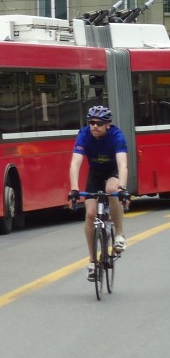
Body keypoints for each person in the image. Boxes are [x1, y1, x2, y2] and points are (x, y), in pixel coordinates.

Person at [69, 104, 129, 282]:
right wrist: (74, 189)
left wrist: (122, 188)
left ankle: (118, 233)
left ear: (108, 125)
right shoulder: (84, 135)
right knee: (90, 214)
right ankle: (93, 261)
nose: (94, 126)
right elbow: (75, 164)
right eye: (92, 122)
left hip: (113, 172)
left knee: (112, 190)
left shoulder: (116, 136)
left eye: (99, 123)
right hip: (95, 174)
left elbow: (122, 165)